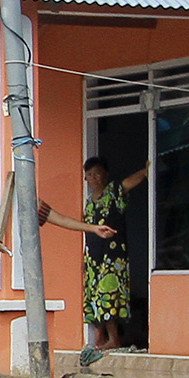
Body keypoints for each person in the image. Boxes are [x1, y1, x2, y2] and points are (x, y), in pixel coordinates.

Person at [41, 155, 147, 363]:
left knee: (107, 296)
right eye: (89, 175)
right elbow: (68, 222)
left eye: (97, 173)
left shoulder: (114, 192)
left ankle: (113, 339)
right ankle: (100, 337)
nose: (93, 178)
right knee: (94, 298)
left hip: (113, 258)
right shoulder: (89, 202)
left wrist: (146, 170)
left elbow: (130, 181)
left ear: (105, 174)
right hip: (93, 258)